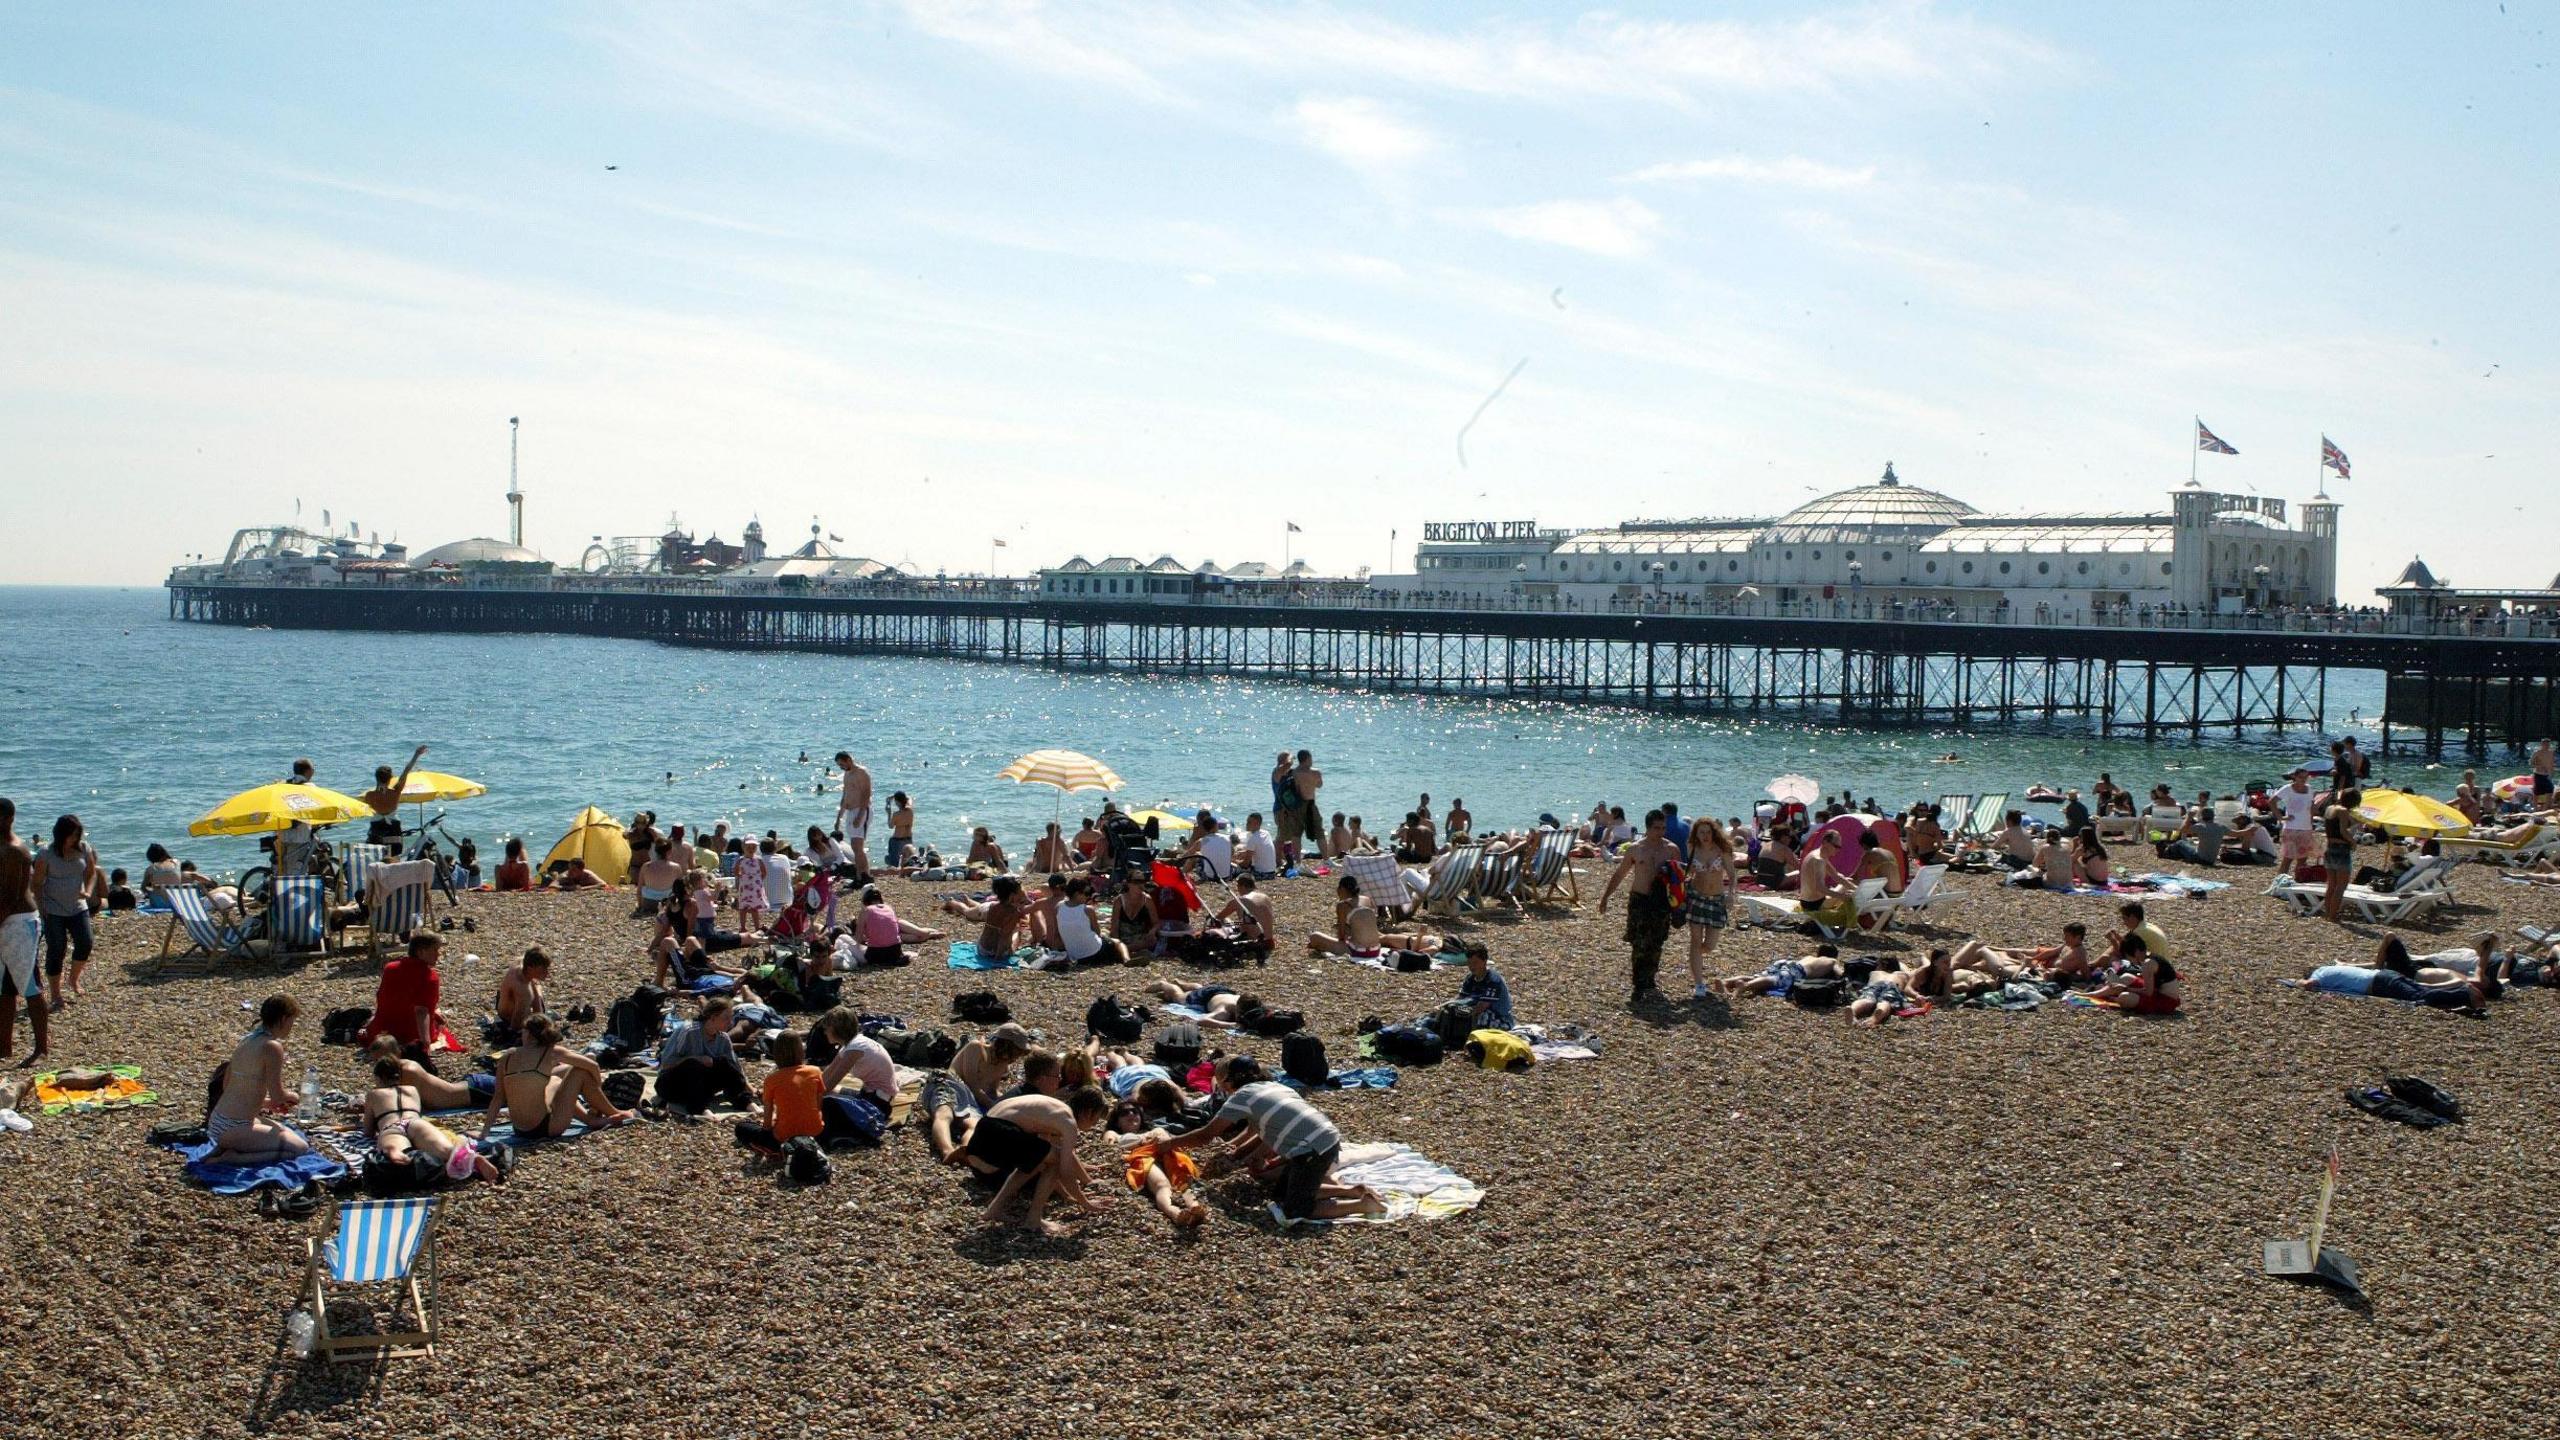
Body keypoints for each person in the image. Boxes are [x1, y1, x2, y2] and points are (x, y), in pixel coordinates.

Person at [1161, 1057, 1385, 1222]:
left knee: (1295, 1210)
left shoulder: (1242, 1096)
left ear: (1228, 1082)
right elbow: (1260, 1130)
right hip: (1324, 1139)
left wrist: (1169, 1143)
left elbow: (1206, 1135)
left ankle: (1363, 1204)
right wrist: (1237, 1152)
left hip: (1311, 1150)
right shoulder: (1273, 1087)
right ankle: (1353, 1190)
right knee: (1280, 1193)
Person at [967, 1087, 1112, 1234]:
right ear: (1087, 1112)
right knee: (1054, 1160)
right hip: (1000, 1132)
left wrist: (1080, 1186)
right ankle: (1033, 1220)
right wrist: (1085, 1203)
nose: (1095, 1126)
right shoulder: (1068, 1122)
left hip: (983, 1129)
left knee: (1036, 1161)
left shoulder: (1053, 1110)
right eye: (1096, 1120)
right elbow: (1065, 1171)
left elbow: (1050, 1154)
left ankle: (994, 1210)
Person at [363, 1048, 500, 1186]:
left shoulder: (373, 1094)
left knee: (396, 1155)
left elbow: (368, 1131)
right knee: (447, 1150)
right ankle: (471, 1157)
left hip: (392, 1127)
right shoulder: (412, 1090)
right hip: (415, 1123)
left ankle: (392, 1150)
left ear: (379, 1078)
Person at [488, 1012, 635, 1135]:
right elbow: (593, 1066)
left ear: (528, 1034)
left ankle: (591, 1120)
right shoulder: (551, 1051)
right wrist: (597, 1089)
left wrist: (484, 1132)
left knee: (555, 1080)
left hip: (520, 1130)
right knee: (580, 1071)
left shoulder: (507, 1056)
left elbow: (498, 1098)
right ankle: (613, 1112)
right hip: (546, 1127)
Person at [207, 994, 312, 1162]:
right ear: (284, 1019)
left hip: (218, 1121)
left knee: (286, 1134)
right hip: (235, 1127)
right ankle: (231, 1158)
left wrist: (267, 1104)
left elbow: (228, 1086)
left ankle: (228, 1146)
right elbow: (279, 1095)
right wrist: (294, 1097)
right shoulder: (272, 1047)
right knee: (300, 1148)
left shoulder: (247, 1040)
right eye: (292, 1021)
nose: (292, 1026)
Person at [1597, 809, 1682, 1005]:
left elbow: (1679, 880)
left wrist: (1680, 905)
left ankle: (1649, 980)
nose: (1660, 832)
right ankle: (1639, 982)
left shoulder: (1671, 849)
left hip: (1661, 901)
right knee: (1638, 941)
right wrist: (1605, 897)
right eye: (1656, 828)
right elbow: (1620, 874)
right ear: (1647, 827)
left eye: (1663, 828)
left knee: (1656, 941)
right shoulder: (1636, 848)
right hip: (1640, 900)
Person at [921, 1023, 1035, 1163]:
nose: (1017, 1056)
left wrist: (1009, 1104)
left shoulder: (1003, 1066)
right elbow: (972, 1084)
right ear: (1006, 1045)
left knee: (975, 1125)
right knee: (945, 1113)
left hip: (970, 1100)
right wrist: (994, 1106)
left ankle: (965, 1151)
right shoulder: (976, 1048)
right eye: (1016, 1051)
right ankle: (947, 1151)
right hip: (951, 1084)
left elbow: (992, 1091)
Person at [1106, 1092, 1211, 1229]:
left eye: (1135, 1111)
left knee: (1182, 1181)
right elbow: (1109, 1144)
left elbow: (1174, 1140)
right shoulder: (1117, 1134)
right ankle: (1174, 1212)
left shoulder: (1156, 1129)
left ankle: (1194, 1207)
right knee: (1161, 1184)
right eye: (1125, 1113)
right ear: (1117, 1121)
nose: (1131, 1114)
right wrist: (1143, 1139)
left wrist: (1161, 1136)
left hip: (1167, 1154)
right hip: (1143, 1157)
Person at [29, 814, 97, 1010]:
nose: (74, 839)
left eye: (77, 835)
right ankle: (56, 994)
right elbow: (37, 883)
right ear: (61, 834)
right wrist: (42, 909)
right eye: (71, 835)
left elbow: (91, 873)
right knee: (56, 949)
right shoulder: (46, 854)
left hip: (78, 906)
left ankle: (73, 980)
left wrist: (89, 891)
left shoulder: (84, 849)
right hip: (53, 908)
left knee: (85, 942)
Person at [359, 931, 450, 1070]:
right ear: (421, 952)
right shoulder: (430, 977)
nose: (438, 954)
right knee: (440, 1023)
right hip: (409, 1035)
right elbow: (421, 1011)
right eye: (435, 950)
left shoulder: (390, 968)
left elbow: (385, 997)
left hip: (383, 1030)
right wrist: (425, 1043)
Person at [734, 1030, 825, 1158]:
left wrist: (768, 1128)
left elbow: (767, 1122)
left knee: (741, 1127)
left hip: (783, 1136)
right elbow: (818, 1105)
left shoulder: (772, 1079)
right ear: (801, 1050)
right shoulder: (815, 1071)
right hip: (815, 1131)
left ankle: (772, 1149)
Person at [0, 798, 44, 1063]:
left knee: (29, 985)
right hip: (5, 918)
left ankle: (41, 1049)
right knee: (4, 989)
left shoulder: (17, 851)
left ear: (7, 819)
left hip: (19, 922)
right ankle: (4, 1047)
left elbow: (13, 897)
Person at [654, 997, 754, 1112]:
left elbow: (734, 1068)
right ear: (712, 1018)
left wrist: (750, 1088)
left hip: (703, 1087)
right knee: (693, 1064)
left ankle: (746, 1103)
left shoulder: (723, 1038)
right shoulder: (689, 1031)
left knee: (724, 1062)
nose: (730, 1023)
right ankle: (699, 1109)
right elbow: (666, 1064)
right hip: (672, 1086)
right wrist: (694, 1058)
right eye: (726, 1018)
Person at [1307, 875, 1441, 958]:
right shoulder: (1368, 899)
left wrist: (1345, 935)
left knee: (1315, 936)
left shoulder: (1342, 905)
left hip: (1359, 952)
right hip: (1376, 950)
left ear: (1342, 890)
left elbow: (1341, 936)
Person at [1682, 819, 1735, 999]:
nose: (1705, 836)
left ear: (1714, 833)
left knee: (1710, 945)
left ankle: (1694, 956)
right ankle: (1699, 984)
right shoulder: (1692, 849)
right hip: (1696, 897)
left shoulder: (1722, 850)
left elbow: (1733, 875)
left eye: (1708, 832)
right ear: (1696, 834)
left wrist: (1731, 894)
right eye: (1701, 832)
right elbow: (1688, 872)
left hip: (1717, 900)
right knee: (1695, 941)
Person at [2089, 933, 2183, 1014]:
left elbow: (2148, 992)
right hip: (2157, 991)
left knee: (2124, 997)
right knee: (2126, 977)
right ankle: (2097, 993)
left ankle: (2110, 997)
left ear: (2136, 952)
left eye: (2129, 957)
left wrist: (2125, 988)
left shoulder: (2148, 964)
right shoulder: (2149, 956)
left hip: (2166, 1001)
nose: (2130, 961)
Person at [359, 744, 430, 847]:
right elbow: (406, 771)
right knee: (394, 854)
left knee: (377, 853)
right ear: (390, 779)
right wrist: (416, 754)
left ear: (376, 778)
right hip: (394, 828)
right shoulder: (395, 792)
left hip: (376, 829)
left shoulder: (369, 796)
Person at [943, 875, 1030, 958]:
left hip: (982, 949)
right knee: (1017, 932)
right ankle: (954, 902)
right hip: (996, 952)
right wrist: (998, 958)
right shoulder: (1014, 912)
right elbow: (1004, 936)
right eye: (1019, 892)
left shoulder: (992, 906)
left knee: (970, 912)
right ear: (1012, 896)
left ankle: (958, 902)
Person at [1716, 944, 1843, 1000]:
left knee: (1760, 976)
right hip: (1798, 970)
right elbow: (1841, 975)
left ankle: (1726, 982)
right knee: (1775, 981)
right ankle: (1745, 986)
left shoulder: (1810, 957)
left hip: (1787, 963)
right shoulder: (1831, 961)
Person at [855, 885, 941, 966]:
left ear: (865, 900)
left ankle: (930, 933)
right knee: (915, 933)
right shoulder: (889, 908)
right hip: (895, 953)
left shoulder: (865, 911)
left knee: (844, 938)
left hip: (875, 955)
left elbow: (858, 939)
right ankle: (930, 932)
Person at [1056, 876, 1131, 965]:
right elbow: (1097, 932)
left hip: (1075, 955)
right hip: (1094, 952)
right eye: (1086, 893)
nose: (1088, 896)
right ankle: (1127, 960)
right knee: (1117, 942)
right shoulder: (1088, 910)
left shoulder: (1059, 906)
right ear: (1077, 894)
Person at [491, 947, 550, 1045]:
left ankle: (540, 1014)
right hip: (508, 1017)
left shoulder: (521, 963)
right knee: (537, 993)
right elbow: (516, 1024)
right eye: (542, 970)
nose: (547, 973)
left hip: (501, 1002)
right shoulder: (524, 992)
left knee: (535, 985)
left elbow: (529, 953)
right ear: (530, 968)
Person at [2321, 789, 2362, 923]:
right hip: (2341, 849)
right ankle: (2333, 916)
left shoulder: (2330, 808)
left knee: (2331, 884)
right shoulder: (2343, 811)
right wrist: (2353, 842)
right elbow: (2343, 831)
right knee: (2341, 886)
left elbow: (2333, 826)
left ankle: (2328, 913)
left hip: (2329, 848)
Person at [833, 751, 875, 880]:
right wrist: (839, 817)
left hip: (861, 810)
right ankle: (860, 875)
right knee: (855, 846)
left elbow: (866, 794)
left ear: (849, 760)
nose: (841, 767)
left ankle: (865, 875)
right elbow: (845, 796)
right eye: (839, 765)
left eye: (842, 764)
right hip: (851, 811)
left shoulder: (861, 772)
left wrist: (860, 815)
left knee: (858, 846)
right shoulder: (847, 774)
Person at [1212, 873, 1276, 954]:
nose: (1237, 889)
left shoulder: (1239, 901)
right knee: (1240, 922)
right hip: (1269, 942)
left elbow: (1218, 918)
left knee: (1226, 921)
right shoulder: (1265, 897)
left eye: (1237, 886)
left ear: (1242, 886)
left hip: (1253, 942)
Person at [1281, 750, 1324, 866]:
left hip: (1296, 804)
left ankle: (1298, 861)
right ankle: (1326, 859)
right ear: (1307, 758)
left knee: (1296, 833)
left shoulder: (1293, 772)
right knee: (1319, 831)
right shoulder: (1315, 772)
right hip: (1309, 803)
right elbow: (1319, 785)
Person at [2275, 769, 2320, 877]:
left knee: (2303, 860)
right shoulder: (2288, 789)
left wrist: (2312, 820)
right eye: (2301, 777)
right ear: (2294, 777)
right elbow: (2272, 801)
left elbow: (2311, 808)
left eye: (2306, 777)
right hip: (2291, 827)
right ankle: (2279, 884)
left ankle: (2298, 882)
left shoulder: (2309, 789)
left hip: (2306, 828)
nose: (2303, 780)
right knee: (2288, 859)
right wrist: (2281, 817)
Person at [1458, 948, 1514, 1029]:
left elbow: (1481, 1007)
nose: (1472, 966)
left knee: (1480, 1016)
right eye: (1469, 963)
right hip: (1478, 1013)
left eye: (1475, 963)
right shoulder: (1470, 978)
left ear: (1484, 961)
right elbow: (1460, 999)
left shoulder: (1493, 980)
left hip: (1500, 1019)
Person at [733, 838, 775, 930]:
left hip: (755, 888)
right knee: (743, 908)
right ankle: (743, 927)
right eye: (748, 847)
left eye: (753, 847)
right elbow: (735, 871)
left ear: (756, 849)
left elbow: (764, 872)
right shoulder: (741, 860)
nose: (751, 849)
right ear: (743, 847)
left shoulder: (758, 860)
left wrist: (758, 881)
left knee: (754, 909)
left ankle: (757, 927)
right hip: (744, 887)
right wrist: (742, 876)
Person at [1187, 816, 1235, 882]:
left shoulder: (1202, 841)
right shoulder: (1227, 838)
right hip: (1226, 876)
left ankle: (1182, 874)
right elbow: (1232, 852)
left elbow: (1189, 853)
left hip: (1210, 877)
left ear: (1204, 828)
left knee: (1194, 856)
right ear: (1216, 826)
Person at [1234, 813, 1279, 878]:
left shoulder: (1253, 839)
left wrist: (1235, 861)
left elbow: (1245, 864)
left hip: (1261, 874)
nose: (1246, 824)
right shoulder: (1266, 833)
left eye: (1249, 822)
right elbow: (1260, 849)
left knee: (1235, 868)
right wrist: (1243, 853)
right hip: (1272, 872)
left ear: (1256, 824)